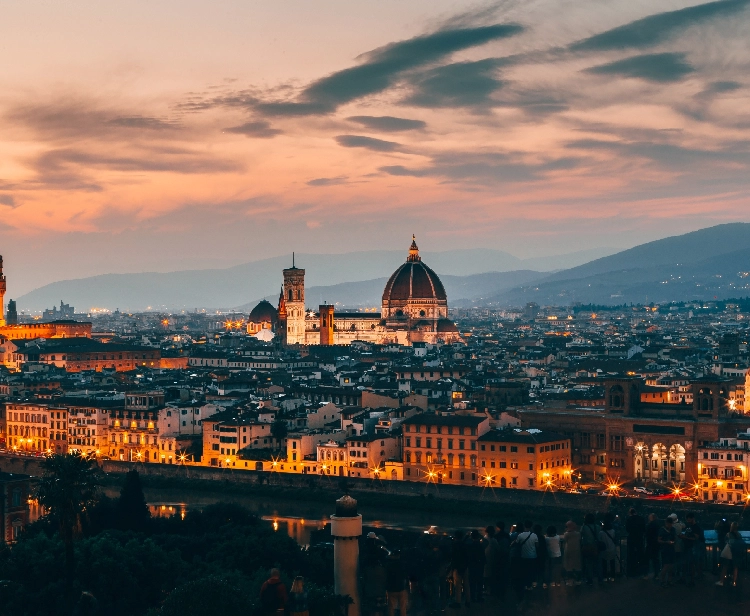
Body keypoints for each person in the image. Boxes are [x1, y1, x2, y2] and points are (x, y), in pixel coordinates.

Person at [716, 522, 745, 587]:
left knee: (725, 566)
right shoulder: (739, 535)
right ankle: (734, 582)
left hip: (729, 552)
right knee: (735, 567)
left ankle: (721, 581)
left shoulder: (728, 534)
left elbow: (726, 541)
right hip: (736, 552)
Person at [515, 520, 539, 591]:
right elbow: (537, 546)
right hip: (532, 556)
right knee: (531, 571)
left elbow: (517, 545)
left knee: (524, 571)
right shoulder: (534, 535)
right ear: (531, 526)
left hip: (523, 556)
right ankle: (529, 585)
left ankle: (524, 585)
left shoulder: (520, 535)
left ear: (524, 526)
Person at [680, 513, 702, 588]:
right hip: (688, 547)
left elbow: (695, 538)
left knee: (691, 564)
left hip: (692, 548)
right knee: (687, 564)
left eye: (688, 518)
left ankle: (691, 580)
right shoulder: (690, 526)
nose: (687, 520)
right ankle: (687, 579)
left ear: (692, 518)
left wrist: (684, 537)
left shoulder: (696, 527)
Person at [449, 531, 469, 608]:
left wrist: (452, 568)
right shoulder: (465, 544)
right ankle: (468, 601)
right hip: (465, 566)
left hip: (457, 567)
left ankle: (458, 602)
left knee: (457, 586)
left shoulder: (454, 545)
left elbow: (453, 557)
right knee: (466, 585)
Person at [386, 550, 409, 616]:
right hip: (401, 587)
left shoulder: (388, 566)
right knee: (403, 607)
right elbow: (405, 575)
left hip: (391, 589)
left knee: (391, 608)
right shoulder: (402, 565)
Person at [625, 507, 646, 578]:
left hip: (631, 539)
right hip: (640, 538)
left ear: (630, 513)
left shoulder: (629, 519)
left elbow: (627, 529)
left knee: (631, 555)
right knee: (640, 554)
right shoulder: (641, 519)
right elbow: (644, 529)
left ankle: (631, 571)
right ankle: (641, 571)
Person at [467, 530, 486, 603]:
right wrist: (481, 536)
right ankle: (479, 596)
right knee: (480, 581)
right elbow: (486, 542)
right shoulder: (481, 545)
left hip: (472, 565)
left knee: (472, 582)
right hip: (480, 564)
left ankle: (472, 597)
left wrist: (467, 536)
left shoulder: (469, 545)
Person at [581, 513, 599, 586]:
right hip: (596, 547)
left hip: (587, 547)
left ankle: (590, 580)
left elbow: (581, 534)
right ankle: (600, 578)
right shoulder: (597, 526)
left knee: (589, 563)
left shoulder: (584, 527)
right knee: (597, 563)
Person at [562, 520, 582, 586]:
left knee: (569, 566)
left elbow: (564, 540)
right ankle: (577, 580)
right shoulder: (578, 534)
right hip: (577, 550)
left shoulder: (566, 534)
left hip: (568, 551)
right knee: (577, 565)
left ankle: (569, 581)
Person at [658, 517, 677, 588]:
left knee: (671, 565)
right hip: (665, 549)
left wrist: (673, 542)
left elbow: (675, 538)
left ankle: (669, 580)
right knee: (666, 566)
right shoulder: (662, 530)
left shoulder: (672, 529)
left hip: (670, 549)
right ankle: (662, 581)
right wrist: (666, 542)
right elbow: (659, 540)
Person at [598, 515, 618, 583]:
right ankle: (613, 576)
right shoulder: (613, 531)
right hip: (612, 548)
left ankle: (605, 577)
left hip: (604, 549)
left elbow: (599, 540)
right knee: (612, 563)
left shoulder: (601, 532)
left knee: (604, 564)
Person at [483, 526, 499, 598]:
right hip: (492, 559)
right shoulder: (494, 540)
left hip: (485, 558)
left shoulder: (484, 539)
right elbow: (498, 549)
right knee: (490, 575)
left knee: (485, 575)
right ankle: (489, 590)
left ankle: (486, 590)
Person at [668, 513, 685, 582]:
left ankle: (672, 573)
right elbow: (684, 525)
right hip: (680, 546)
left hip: (673, 546)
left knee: (673, 561)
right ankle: (679, 573)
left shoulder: (671, 527)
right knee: (679, 560)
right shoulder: (680, 525)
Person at [645, 513, 661, 581]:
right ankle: (656, 574)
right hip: (656, 544)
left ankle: (646, 574)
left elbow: (647, 534)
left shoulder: (650, 525)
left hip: (650, 544)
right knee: (656, 560)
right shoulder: (658, 525)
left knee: (647, 559)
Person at [533, 523, 548, 589]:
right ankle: (540, 582)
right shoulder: (542, 537)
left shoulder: (533, 537)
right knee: (541, 569)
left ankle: (534, 582)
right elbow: (544, 547)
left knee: (534, 569)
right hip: (541, 555)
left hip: (533, 555)